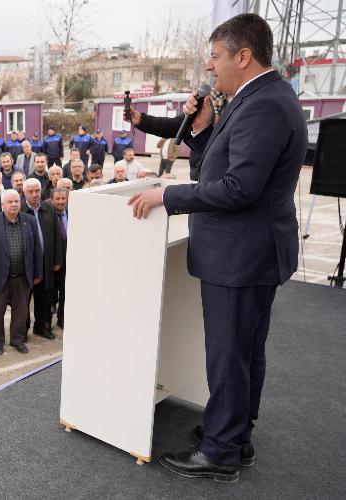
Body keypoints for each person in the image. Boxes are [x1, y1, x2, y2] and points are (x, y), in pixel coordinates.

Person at [128, 14, 307, 482]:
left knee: (229, 352)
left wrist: (166, 197)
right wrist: (204, 129)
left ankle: (221, 452)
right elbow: (220, 171)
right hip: (250, 251)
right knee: (243, 350)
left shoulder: (263, 104)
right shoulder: (260, 98)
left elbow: (236, 188)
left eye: (215, 55)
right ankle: (235, 434)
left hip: (242, 254)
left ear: (242, 56)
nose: (210, 67)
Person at [0, 189, 43, 355]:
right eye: (10, 202)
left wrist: (37, 274)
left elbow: (37, 249)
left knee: (21, 312)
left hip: (22, 277)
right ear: (2, 205)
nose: (14, 205)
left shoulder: (29, 221)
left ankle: (17, 340)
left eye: (16, 202)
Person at [22, 179, 63, 340]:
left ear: (41, 191)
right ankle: (22, 331)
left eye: (36, 191)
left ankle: (42, 327)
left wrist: (57, 259)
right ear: (24, 193)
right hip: (27, 266)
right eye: (30, 192)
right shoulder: (20, 210)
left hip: (47, 263)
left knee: (45, 298)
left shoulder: (49, 208)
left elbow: (57, 235)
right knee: (24, 300)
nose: (34, 195)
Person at [48, 188, 68, 330]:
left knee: (65, 291)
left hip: (70, 262)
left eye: (63, 199)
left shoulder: (73, 213)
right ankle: (47, 321)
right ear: (52, 200)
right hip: (53, 262)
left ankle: (62, 318)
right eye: (58, 199)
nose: (61, 202)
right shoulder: (47, 215)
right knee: (51, 292)